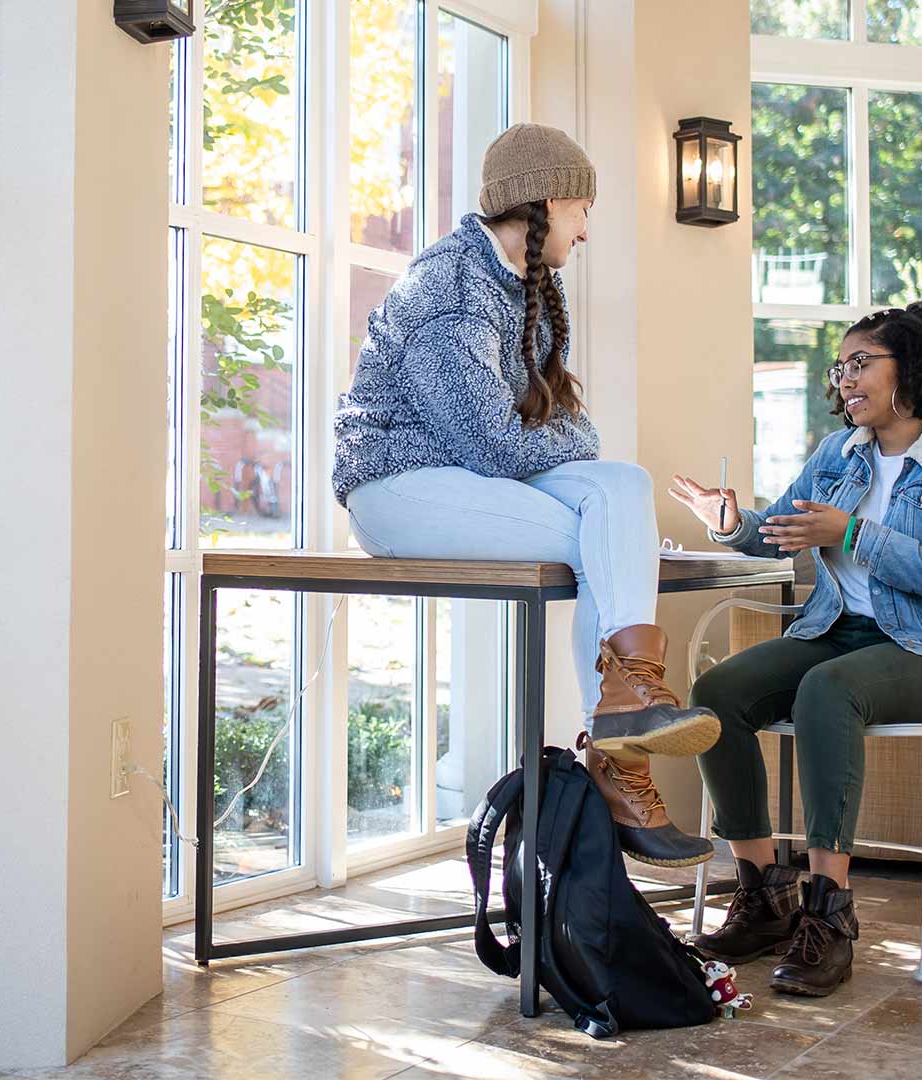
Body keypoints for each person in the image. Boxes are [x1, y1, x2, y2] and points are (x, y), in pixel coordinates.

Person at [333, 122, 717, 869]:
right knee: (605, 539)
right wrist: (585, 449)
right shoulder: (450, 287)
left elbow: (533, 429)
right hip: (397, 487)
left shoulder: (526, 285)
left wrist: (585, 450)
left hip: (468, 480)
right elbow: (496, 443)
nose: (585, 230)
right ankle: (622, 757)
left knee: (622, 486)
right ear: (545, 203)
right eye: (581, 211)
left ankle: (627, 711)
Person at [669, 301, 922, 996]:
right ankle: (766, 898)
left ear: (912, 368)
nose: (845, 378)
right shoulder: (839, 454)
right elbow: (782, 529)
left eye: (862, 363)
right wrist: (732, 522)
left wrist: (854, 535)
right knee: (717, 696)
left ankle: (828, 916)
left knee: (826, 690)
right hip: (834, 633)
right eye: (842, 365)